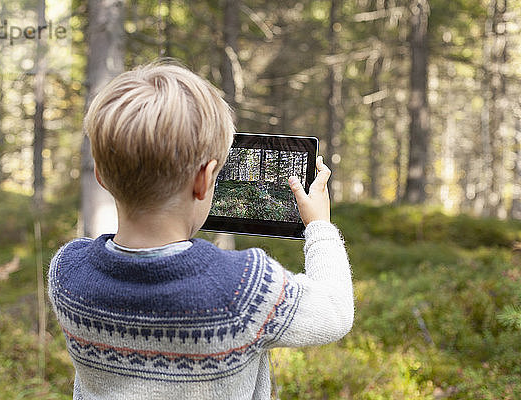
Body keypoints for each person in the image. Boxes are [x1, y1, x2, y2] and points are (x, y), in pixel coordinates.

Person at [48, 61, 354, 400]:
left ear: (101, 176)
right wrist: (319, 227)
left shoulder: (66, 271)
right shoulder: (243, 289)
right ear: (205, 178)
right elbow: (335, 311)